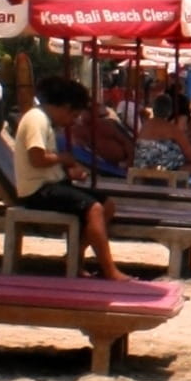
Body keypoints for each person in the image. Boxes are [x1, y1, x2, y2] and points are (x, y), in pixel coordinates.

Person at [21, 75, 126, 279]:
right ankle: (110, 270)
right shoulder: (36, 119)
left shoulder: (46, 120)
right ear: (65, 107)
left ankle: (74, 257)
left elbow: (44, 162)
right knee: (94, 209)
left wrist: (68, 169)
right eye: (73, 115)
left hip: (51, 183)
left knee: (107, 205)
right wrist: (64, 158)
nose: (72, 121)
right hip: (37, 190)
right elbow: (36, 158)